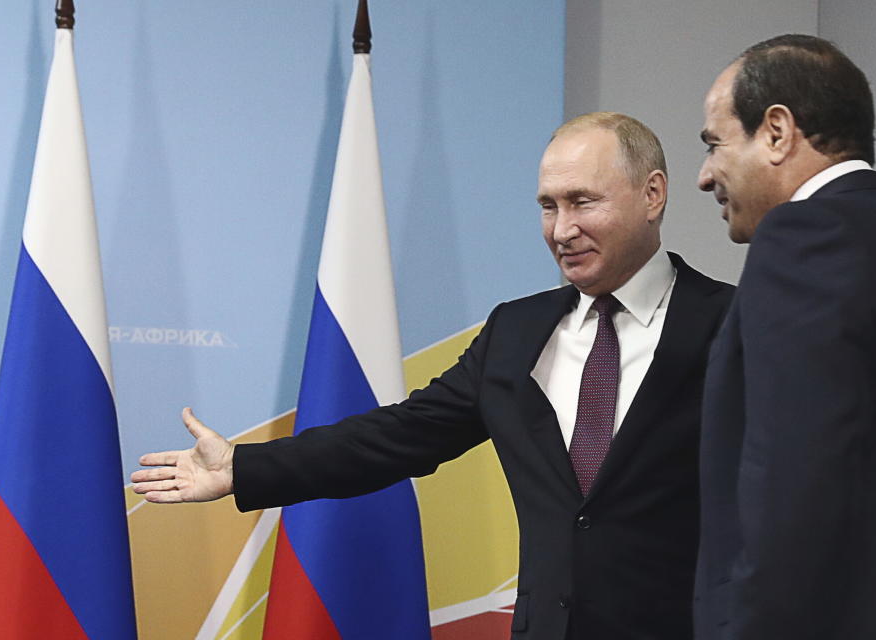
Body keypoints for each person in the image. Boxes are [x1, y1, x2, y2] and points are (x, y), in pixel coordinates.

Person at [134, 112, 733, 639]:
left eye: (583, 201)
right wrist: (244, 468)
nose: (561, 229)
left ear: (653, 194)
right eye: (548, 206)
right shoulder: (516, 332)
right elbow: (400, 436)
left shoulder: (737, 324)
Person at [694, 34, 876, 639]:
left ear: (777, 132)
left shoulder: (805, 239)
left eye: (714, 144)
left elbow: (793, 479)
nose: (706, 176)